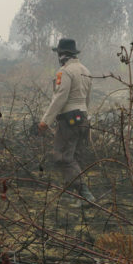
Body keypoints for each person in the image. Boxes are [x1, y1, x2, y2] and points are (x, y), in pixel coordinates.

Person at [38, 38, 94, 201]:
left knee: (62, 156)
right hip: (82, 118)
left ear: (62, 54)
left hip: (69, 120)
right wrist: (85, 117)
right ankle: (69, 193)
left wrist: (45, 121)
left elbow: (60, 98)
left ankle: (85, 192)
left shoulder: (65, 72)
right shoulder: (86, 70)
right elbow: (87, 99)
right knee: (74, 155)